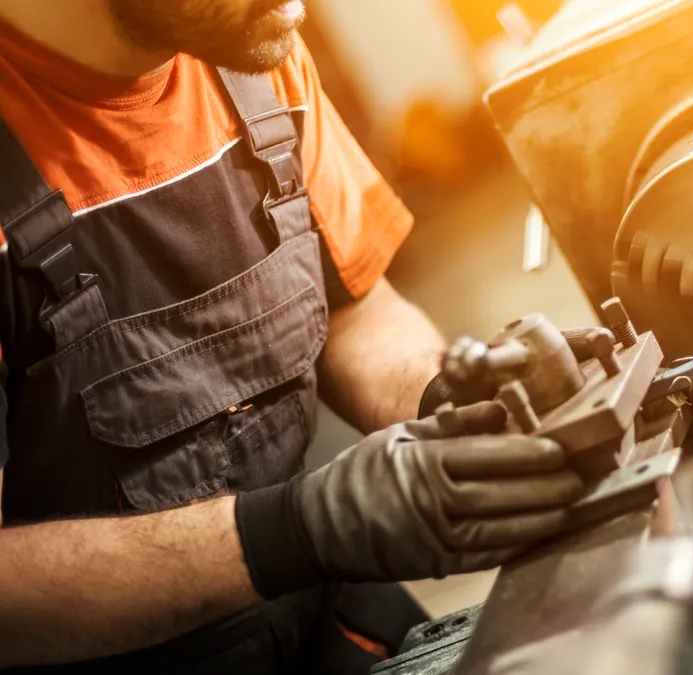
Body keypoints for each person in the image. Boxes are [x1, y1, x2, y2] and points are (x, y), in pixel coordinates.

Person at [0, 0, 584, 672]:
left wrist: (456, 395)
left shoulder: (243, 46)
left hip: (327, 620)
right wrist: (298, 531)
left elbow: (351, 308)